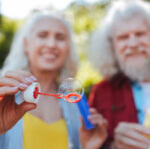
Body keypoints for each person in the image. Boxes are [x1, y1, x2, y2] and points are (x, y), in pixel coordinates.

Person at [0, 12, 107, 149]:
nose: (51, 44)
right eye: (42, 35)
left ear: (67, 48)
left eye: (60, 38)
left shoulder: (76, 106)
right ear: (26, 44)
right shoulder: (3, 93)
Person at [88, 0, 150, 148]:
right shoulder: (101, 93)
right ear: (111, 45)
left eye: (140, 33)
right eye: (123, 37)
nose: (133, 44)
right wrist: (114, 146)